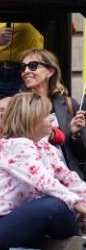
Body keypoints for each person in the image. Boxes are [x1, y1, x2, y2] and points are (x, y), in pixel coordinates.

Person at [0, 92, 86, 250]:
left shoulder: (43, 145)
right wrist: (80, 206)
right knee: (55, 207)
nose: (52, 118)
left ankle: (71, 243)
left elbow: (69, 180)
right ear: (31, 119)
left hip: (16, 221)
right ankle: (77, 244)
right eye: (46, 115)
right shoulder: (14, 145)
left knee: (61, 205)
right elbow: (45, 183)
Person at [21, 48, 86, 177]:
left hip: (67, 179)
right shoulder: (18, 106)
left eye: (33, 66)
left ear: (50, 71)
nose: (26, 71)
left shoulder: (68, 104)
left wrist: (75, 135)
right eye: (23, 67)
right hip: (32, 177)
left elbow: (81, 154)